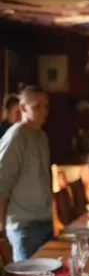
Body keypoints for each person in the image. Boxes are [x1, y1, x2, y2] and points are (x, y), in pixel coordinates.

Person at [0, 86, 53, 262]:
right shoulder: (16, 136)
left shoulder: (42, 136)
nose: (43, 111)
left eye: (45, 106)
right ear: (22, 108)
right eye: (37, 106)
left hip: (44, 220)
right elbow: (2, 182)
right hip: (24, 226)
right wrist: (1, 227)